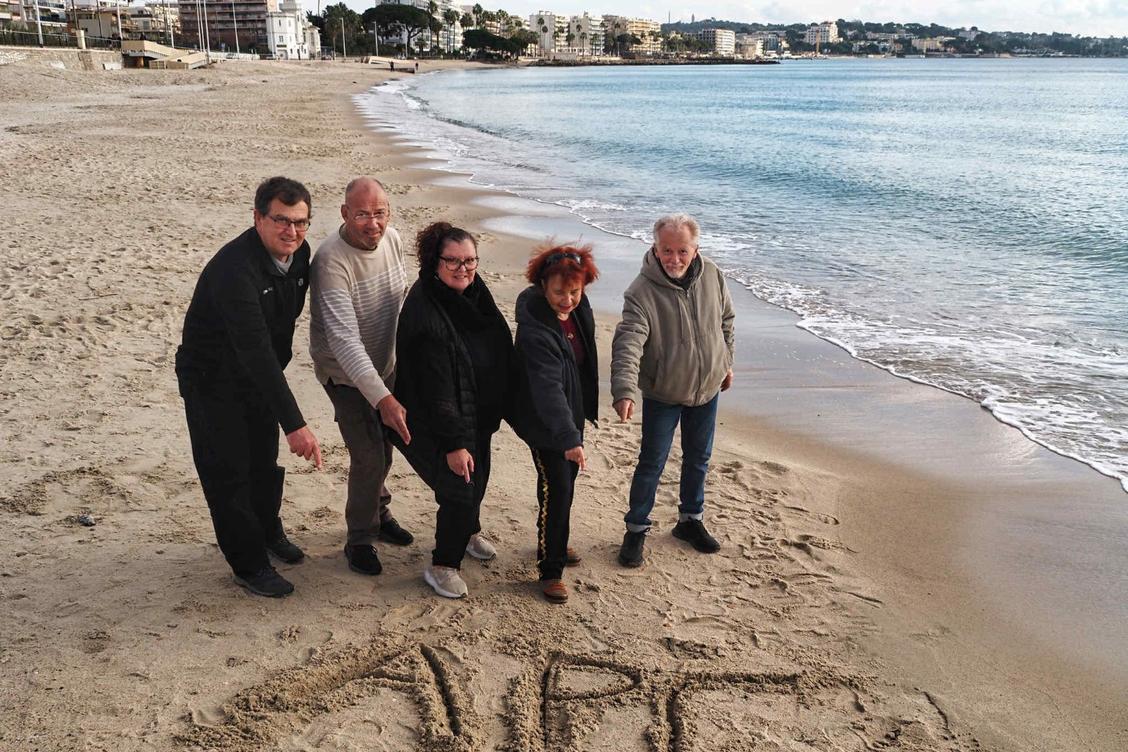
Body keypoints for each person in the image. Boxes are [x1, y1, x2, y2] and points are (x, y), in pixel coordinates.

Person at [176, 176, 323, 598]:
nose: (291, 231)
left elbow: (278, 333)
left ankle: (268, 532)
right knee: (229, 473)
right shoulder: (234, 270)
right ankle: (249, 565)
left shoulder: (300, 256)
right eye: (281, 220)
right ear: (258, 218)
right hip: (211, 380)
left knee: (263, 462)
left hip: (259, 376)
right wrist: (295, 424)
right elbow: (254, 348)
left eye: (300, 222)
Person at [392, 222, 513, 599]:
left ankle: (469, 532)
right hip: (434, 419)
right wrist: (454, 444)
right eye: (454, 261)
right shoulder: (426, 311)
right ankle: (443, 565)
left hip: (476, 411)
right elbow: (436, 389)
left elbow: (498, 342)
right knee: (459, 488)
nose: (464, 269)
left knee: (479, 478)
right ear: (434, 261)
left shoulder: (474, 290)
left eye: (470, 260)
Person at [611, 213, 735, 568]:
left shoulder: (712, 274)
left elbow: (726, 320)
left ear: (695, 249)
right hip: (663, 392)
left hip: (707, 389)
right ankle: (636, 529)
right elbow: (628, 343)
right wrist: (624, 390)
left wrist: (726, 362)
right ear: (655, 247)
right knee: (652, 462)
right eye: (667, 250)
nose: (674, 258)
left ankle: (690, 521)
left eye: (682, 250)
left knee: (699, 458)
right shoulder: (641, 291)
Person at [309, 177, 415, 577]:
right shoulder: (330, 261)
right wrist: (383, 399)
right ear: (344, 214)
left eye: (380, 213)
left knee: (386, 447)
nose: (373, 224)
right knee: (369, 454)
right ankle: (359, 539)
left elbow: (401, 299)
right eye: (362, 215)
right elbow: (343, 340)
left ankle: (379, 513)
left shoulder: (393, 239)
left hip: (384, 363)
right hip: (343, 374)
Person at [511, 245, 599, 603]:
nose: (567, 300)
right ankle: (551, 569)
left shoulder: (580, 308)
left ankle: (552, 540)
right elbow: (547, 388)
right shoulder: (535, 328)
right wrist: (568, 438)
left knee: (561, 484)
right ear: (543, 286)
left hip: (569, 414)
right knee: (558, 486)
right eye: (559, 292)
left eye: (574, 292)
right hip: (544, 420)